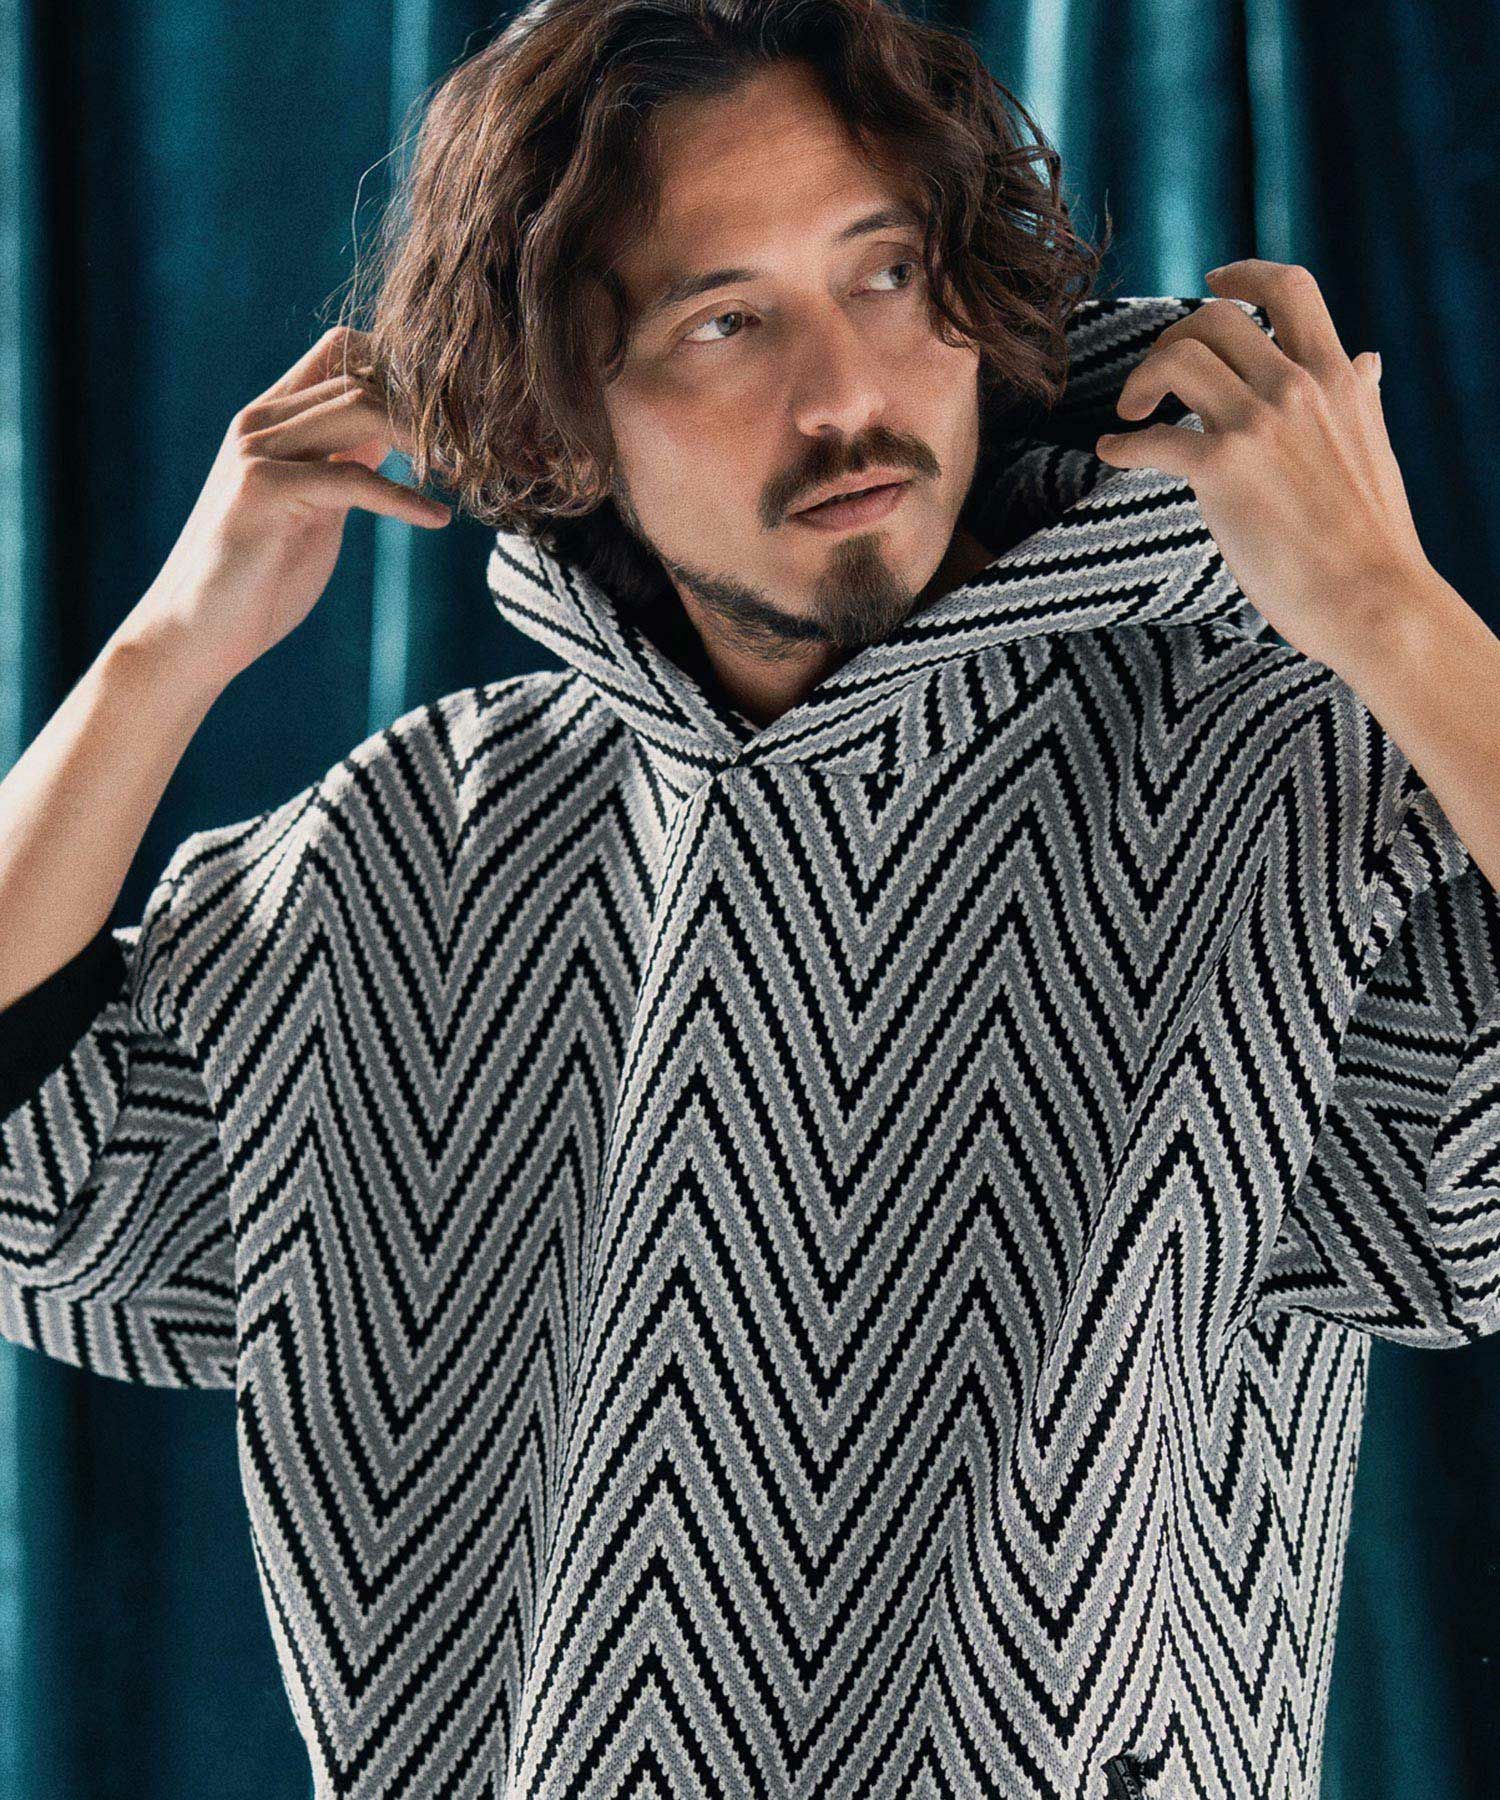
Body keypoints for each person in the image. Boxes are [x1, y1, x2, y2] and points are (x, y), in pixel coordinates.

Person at [3, 2, 1497, 1797]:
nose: (847, 393)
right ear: (561, 409)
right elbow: (33, 1173)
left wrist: (1387, 609)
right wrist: (169, 648)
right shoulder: (414, 849)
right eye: (728, 319)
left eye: (887, 275)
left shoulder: (1265, 783)